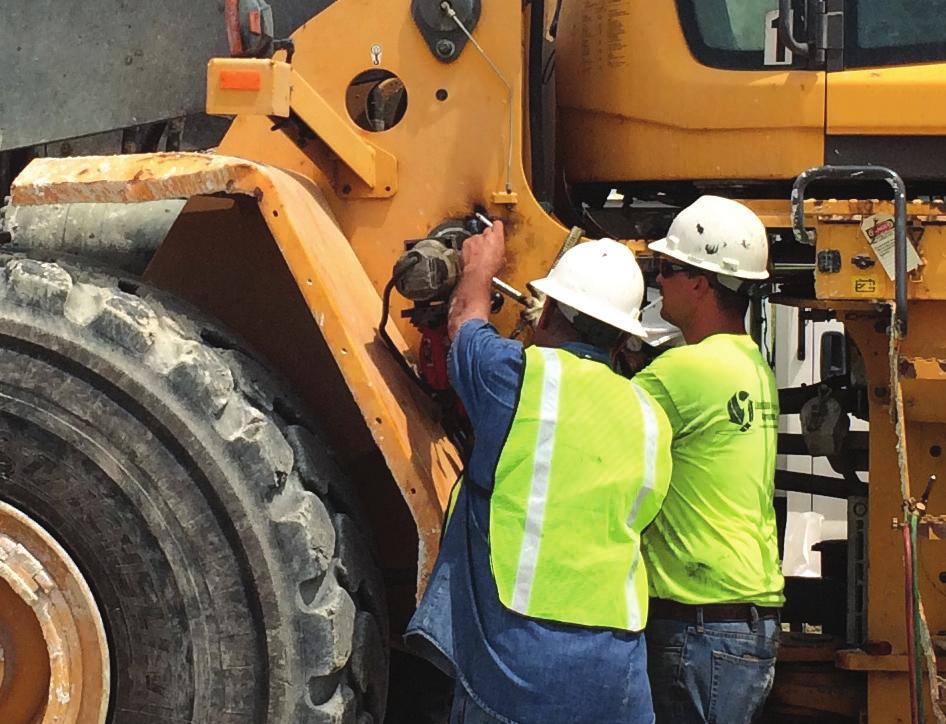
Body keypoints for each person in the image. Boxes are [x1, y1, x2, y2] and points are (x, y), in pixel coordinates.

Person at [406, 221, 673, 723]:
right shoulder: (649, 415)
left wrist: (479, 266)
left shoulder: (515, 378)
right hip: (617, 669)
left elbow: (465, 321)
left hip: (521, 660)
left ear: (547, 310)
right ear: (622, 335)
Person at [633, 195, 784, 723]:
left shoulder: (683, 371)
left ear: (700, 281)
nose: (657, 282)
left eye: (665, 269)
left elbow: (592, 424)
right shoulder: (752, 365)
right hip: (745, 617)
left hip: (699, 622)